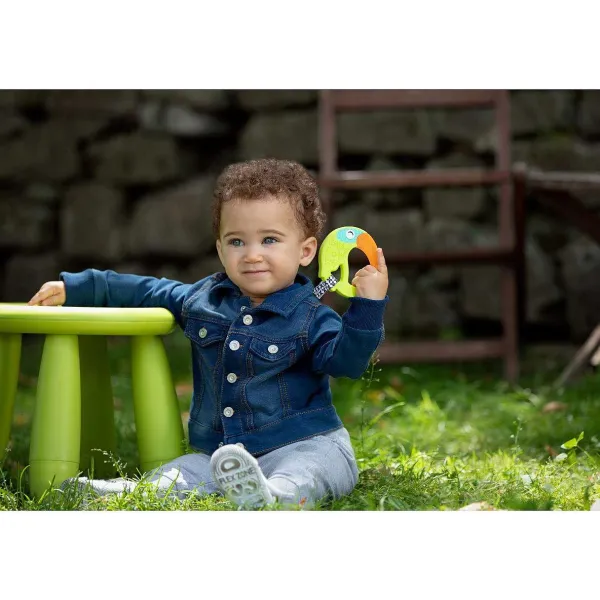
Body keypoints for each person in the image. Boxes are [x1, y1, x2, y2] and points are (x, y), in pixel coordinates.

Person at [28, 158, 389, 509]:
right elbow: (147, 290)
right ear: (219, 248)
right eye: (236, 242)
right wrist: (79, 286)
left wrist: (368, 306)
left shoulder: (312, 316)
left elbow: (348, 363)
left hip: (305, 443)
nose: (251, 255)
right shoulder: (204, 300)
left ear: (305, 251)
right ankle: (126, 495)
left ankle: (278, 497)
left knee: (310, 472)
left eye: (269, 240)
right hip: (222, 455)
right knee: (178, 476)